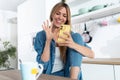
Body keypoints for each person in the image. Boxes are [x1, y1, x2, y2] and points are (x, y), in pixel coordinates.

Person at [34, 2, 94, 80]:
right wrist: (48, 41)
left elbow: (92, 54)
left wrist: (73, 44)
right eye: (58, 13)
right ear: (52, 14)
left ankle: (73, 78)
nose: (60, 17)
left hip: (66, 74)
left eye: (64, 16)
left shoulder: (68, 35)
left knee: (77, 36)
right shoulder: (41, 35)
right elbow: (43, 63)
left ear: (66, 19)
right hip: (48, 74)